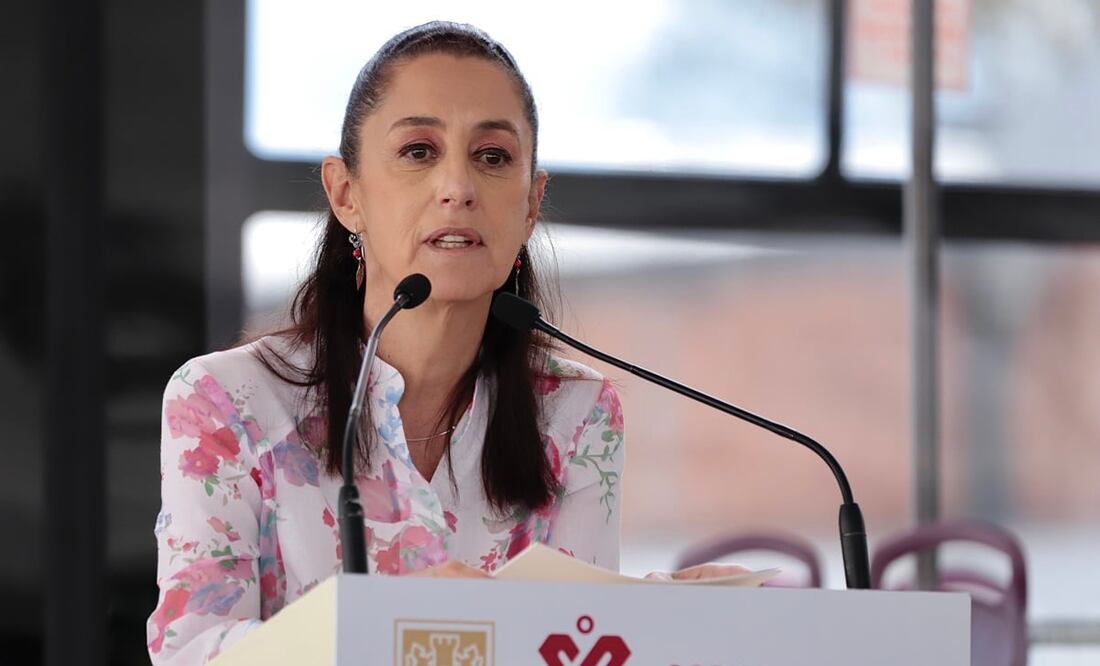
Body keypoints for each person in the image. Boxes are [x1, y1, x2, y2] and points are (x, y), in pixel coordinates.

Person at [147, 20, 736, 665]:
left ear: (531, 203)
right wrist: (390, 626)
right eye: (419, 152)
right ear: (347, 194)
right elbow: (193, 651)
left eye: (492, 157)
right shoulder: (223, 401)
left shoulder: (579, 410)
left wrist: (665, 623)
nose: (458, 186)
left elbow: (568, 637)